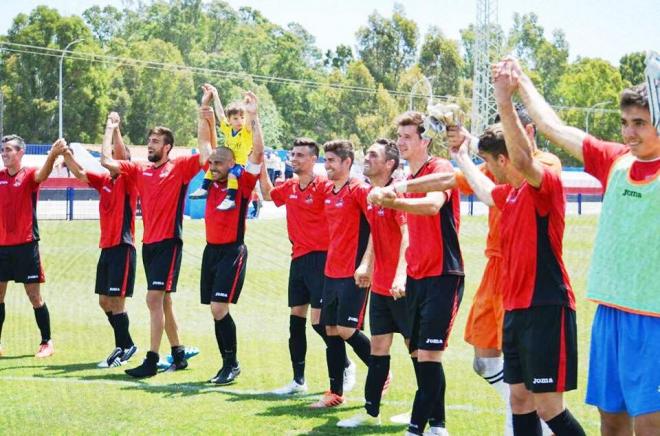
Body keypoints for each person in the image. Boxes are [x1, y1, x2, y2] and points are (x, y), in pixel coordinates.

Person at [378, 107, 560, 436]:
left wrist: (467, 147)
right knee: (483, 360)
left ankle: (532, 419)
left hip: (527, 273)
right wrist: (402, 188)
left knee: (525, 368)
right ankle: (522, 409)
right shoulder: (497, 165)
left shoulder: (544, 164)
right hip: (495, 268)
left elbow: (485, 191)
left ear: (528, 131)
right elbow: (453, 179)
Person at [509, 56, 660, 435]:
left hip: (654, 320)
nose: (629, 132)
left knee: (650, 426)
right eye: (625, 123)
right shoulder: (615, 161)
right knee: (610, 424)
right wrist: (521, 81)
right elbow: (552, 126)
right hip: (610, 313)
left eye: (640, 123)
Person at [451, 59, 585, 436]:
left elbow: (524, 159)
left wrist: (504, 100)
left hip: (546, 304)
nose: (489, 170)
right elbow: (484, 189)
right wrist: (462, 155)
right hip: (516, 308)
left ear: (505, 159)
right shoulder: (507, 193)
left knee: (548, 407)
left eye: (492, 164)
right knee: (520, 401)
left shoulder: (543, 181)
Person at [101, 90, 213, 378]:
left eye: (155, 142)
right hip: (148, 244)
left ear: (168, 147)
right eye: (149, 141)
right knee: (163, 301)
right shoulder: (139, 171)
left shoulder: (180, 168)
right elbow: (106, 161)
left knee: (153, 300)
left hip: (169, 243)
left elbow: (205, 152)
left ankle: (151, 360)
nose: (150, 146)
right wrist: (111, 129)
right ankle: (178, 353)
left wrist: (204, 112)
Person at [369, 111, 464, 436]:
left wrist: (394, 202)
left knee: (428, 354)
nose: (401, 142)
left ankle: (416, 428)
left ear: (426, 140)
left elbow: (432, 205)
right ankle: (437, 425)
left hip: (443, 274)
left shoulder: (439, 169)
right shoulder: (404, 179)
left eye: (408, 136)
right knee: (421, 355)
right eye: (400, 136)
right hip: (417, 277)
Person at [259, 138, 355, 395]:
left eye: (301, 155)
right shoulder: (290, 185)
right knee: (295, 321)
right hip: (298, 259)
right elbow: (268, 193)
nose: (295, 158)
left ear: (314, 159)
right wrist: (259, 163)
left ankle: (346, 365)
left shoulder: (325, 186)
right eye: (293, 154)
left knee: (320, 323)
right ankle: (298, 381)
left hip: (323, 259)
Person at [337, 138, 411, 428]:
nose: (365, 158)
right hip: (381, 286)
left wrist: (401, 275)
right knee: (378, 350)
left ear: (389, 164)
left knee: (418, 352)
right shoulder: (374, 194)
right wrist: (367, 263)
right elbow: (375, 233)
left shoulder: (397, 194)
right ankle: (371, 415)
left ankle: (429, 413)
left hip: (403, 288)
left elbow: (408, 235)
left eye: (372, 155)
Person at [62, 112, 139, 368]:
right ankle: (127, 343)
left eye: (120, 156)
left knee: (117, 301)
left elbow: (115, 154)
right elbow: (81, 172)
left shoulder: (129, 178)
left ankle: (122, 347)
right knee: (104, 301)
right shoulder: (106, 181)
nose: (114, 160)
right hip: (107, 247)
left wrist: (112, 128)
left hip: (122, 246)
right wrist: (64, 155)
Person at [199, 89, 264, 385]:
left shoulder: (243, 183)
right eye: (212, 163)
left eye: (218, 163)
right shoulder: (211, 181)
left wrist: (254, 116)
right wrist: (205, 107)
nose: (212, 166)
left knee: (218, 307)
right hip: (210, 252)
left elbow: (258, 156)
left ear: (230, 164)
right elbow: (203, 143)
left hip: (232, 251)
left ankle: (232, 364)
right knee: (215, 311)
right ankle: (227, 364)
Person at [309, 139, 372, 409]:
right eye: (326, 160)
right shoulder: (328, 191)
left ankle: (381, 369)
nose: (328, 165)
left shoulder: (358, 190)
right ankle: (335, 393)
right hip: (331, 271)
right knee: (330, 330)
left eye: (332, 160)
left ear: (347, 162)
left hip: (354, 273)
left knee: (347, 329)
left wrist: (367, 265)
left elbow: (378, 227)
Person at [0, 135, 66, 358]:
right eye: (2, 149)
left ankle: (47, 341)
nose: (4, 153)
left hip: (26, 246)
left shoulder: (28, 175)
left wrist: (53, 154)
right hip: (2, 248)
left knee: (34, 296)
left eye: (9, 149)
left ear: (20, 153)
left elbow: (43, 174)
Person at [189, 84, 254, 211]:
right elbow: (220, 114)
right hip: (226, 161)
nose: (239, 121)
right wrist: (216, 95)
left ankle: (230, 199)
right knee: (212, 166)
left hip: (239, 164)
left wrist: (248, 107)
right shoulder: (228, 129)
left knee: (232, 175)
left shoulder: (246, 133)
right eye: (235, 118)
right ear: (229, 120)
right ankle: (204, 188)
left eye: (242, 117)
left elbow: (251, 121)